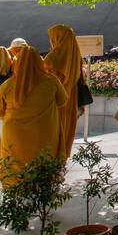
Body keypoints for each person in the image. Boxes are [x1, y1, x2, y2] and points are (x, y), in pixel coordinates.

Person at [0, 46, 68, 185]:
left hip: (13, 134)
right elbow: (62, 101)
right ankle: (43, 189)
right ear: (40, 62)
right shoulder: (51, 81)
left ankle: (15, 189)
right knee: (43, 164)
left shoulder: (7, 85)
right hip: (45, 133)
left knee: (13, 168)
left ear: (16, 64)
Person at [43, 24, 83, 163]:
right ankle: (62, 161)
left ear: (57, 38)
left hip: (55, 100)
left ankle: (52, 163)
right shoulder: (76, 56)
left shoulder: (52, 58)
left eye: (51, 38)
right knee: (66, 130)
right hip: (71, 99)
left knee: (53, 133)